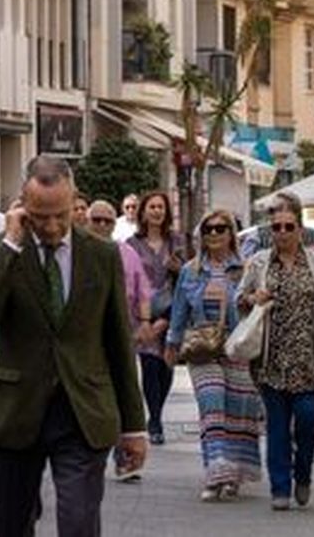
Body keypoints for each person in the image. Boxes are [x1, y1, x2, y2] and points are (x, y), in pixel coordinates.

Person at [0, 155, 147, 536]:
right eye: (39, 216)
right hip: (11, 414)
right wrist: (13, 244)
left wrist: (134, 426)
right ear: (21, 206)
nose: (50, 227)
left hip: (81, 410)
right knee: (12, 526)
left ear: (74, 201)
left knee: (80, 523)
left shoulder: (101, 254)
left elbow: (117, 341)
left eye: (60, 216)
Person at [238, 194, 314, 510]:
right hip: (272, 359)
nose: (281, 232)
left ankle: (303, 474)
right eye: (276, 227)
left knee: (307, 422)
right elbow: (238, 299)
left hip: (308, 360)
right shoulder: (259, 262)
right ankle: (280, 488)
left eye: (288, 226)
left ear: (300, 229)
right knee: (277, 427)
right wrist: (254, 298)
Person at [165, 209, 262, 501]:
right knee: (212, 407)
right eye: (208, 229)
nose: (214, 234)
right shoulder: (190, 270)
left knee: (237, 413)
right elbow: (179, 310)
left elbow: (255, 310)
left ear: (232, 233)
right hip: (202, 349)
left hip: (236, 347)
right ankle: (215, 472)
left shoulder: (246, 269)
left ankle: (233, 474)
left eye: (221, 229)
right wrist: (171, 343)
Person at [86, 198, 152, 483]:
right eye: (96, 219)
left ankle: (124, 457)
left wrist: (145, 323)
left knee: (123, 390)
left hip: (120, 334)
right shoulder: (75, 253)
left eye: (107, 221)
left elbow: (142, 292)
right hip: (85, 339)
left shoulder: (126, 253)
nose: (101, 225)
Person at [125, 190, 190, 444]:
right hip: (142, 313)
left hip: (173, 310)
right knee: (150, 364)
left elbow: (189, 277)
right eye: (152, 207)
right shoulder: (132, 244)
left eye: (160, 207)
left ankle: (156, 412)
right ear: (143, 212)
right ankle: (155, 420)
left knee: (166, 366)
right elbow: (128, 279)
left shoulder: (177, 241)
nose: (156, 211)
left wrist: (180, 267)